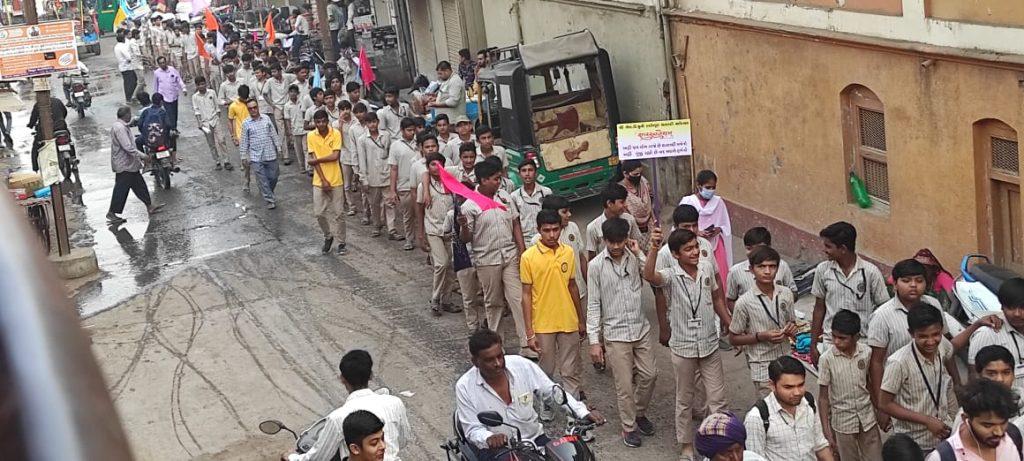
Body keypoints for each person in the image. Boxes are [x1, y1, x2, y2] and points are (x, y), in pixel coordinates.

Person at [869, 259, 990, 430]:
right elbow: (876, 362)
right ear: (894, 284)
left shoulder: (933, 304)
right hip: (905, 390)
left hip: (937, 385)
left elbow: (947, 346)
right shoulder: (882, 317)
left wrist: (956, 382)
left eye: (919, 280)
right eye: (906, 281)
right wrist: (881, 406)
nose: (913, 285)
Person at [644, 227, 731, 461]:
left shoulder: (705, 269)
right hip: (683, 347)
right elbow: (649, 276)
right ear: (675, 254)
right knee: (685, 399)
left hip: (709, 344)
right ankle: (686, 446)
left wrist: (728, 322)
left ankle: (719, 444)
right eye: (689, 249)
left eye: (696, 247)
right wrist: (653, 247)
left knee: (717, 399)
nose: (695, 252)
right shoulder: (670, 275)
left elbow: (716, 297)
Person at [454, 329, 604, 459]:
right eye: (489, 360)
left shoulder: (521, 365)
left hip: (534, 440)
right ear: (475, 362)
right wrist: (489, 438)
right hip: (497, 451)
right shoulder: (464, 387)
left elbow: (552, 391)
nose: (498, 363)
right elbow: (472, 429)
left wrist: (581, 412)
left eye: (499, 356)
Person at [587, 217, 657, 447]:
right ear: (604, 240)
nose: (616, 246)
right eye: (611, 242)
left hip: (640, 328)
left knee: (649, 375)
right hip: (615, 334)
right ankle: (629, 427)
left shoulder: (634, 259)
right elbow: (594, 304)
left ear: (627, 238)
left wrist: (639, 253)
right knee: (624, 385)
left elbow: (651, 277)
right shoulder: (596, 266)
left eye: (620, 241)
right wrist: (594, 341)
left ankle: (639, 412)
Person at [458, 159, 531, 358]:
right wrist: (463, 226)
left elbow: (515, 222)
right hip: (487, 259)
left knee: (518, 299)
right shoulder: (470, 206)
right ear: (483, 180)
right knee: (494, 303)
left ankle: (527, 343)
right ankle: (498, 345)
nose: (499, 182)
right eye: (495, 179)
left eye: (499, 178)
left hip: (509, 255)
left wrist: (522, 249)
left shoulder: (505, 197)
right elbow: (467, 238)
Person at [286, 350, 411, 461]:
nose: (382, 446)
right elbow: (403, 440)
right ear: (371, 375)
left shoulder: (338, 418)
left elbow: (319, 457)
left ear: (342, 379)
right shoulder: (395, 403)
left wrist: (292, 458)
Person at [522, 209, 586, 414]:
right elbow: (525, 295)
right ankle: (546, 403)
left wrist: (580, 320)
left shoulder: (567, 252)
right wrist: (529, 332)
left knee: (570, 371)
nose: (551, 235)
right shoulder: (528, 257)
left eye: (555, 230)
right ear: (538, 230)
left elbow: (573, 286)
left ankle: (573, 413)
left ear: (561, 229)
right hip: (543, 323)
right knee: (546, 370)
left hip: (568, 320)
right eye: (546, 230)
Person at [880, 303, 958, 453]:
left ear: (942, 330)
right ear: (911, 333)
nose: (930, 341)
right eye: (923, 336)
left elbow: (953, 348)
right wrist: (926, 420)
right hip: (914, 443)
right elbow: (884, 404)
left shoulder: (942, 346)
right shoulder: (898, 363)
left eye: (935, 334)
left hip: (942, 437)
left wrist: (976, 325)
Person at [809, 221, 890, 364]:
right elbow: (819, 308)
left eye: (828, 246)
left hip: (863, 344)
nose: (825, 250)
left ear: (843, 249)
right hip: (832, 343)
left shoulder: (870, 272)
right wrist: (813, 344)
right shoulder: (823, 270)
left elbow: (885, 309)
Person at [727, 246, 797, 398]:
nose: (767, 271)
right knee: (770, 410)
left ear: (778, 268)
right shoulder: (744, 302)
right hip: (762, 364)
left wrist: (792, 330)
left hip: (785, 359)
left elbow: (792, 322)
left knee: (790, 404)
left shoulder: (786, 294)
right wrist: (761, 336)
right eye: (761, 267)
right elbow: (733, 338)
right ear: (751, 270)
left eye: (772, 266)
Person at [818, 309, 882, 461]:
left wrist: (880, 410)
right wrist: (826, 431)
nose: (836, 342)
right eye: (834, 336)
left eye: (842, 338)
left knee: (876, 457)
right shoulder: (827, 359)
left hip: (867, 418)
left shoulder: (866, 353)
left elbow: (869, 384)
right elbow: (823, 398)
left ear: (856, 337)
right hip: (842, 422)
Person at [745, 356, 833, 460]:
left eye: (801, 385)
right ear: (772, 385)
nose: (797, 392)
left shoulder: (809, 402)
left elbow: (820, 445)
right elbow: (755, 458)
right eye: (788, 387)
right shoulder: (757, 418)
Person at [926, 379, 1023, 461]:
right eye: (988, 425)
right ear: (965, 419)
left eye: (1003, 423)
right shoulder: (942, 457)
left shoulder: (1013, 437)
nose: (998, 432)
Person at [968, 277, 1024, 397]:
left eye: (1023, 307)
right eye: (1011, 307)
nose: (1017, 314)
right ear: (1002, 307)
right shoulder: (987, 334)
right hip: (1000, 410)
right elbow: (974, 378)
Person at [107, 106, 163, 225]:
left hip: (130, 164)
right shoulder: (120, 128)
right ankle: (112, 213)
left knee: (139, 185)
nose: (130, 116)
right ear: (126, 115)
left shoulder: (121, 126)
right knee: (121, 189)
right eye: (129, 114)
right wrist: (143, 156)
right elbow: (128, 147)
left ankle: (149, 205)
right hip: (124, 164)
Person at [679, 169, 733, 288]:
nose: (711, 191)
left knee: (719, 276)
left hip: (716, 246)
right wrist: (697, 232)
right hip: (694, 244)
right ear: (699, 185)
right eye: (708, 187)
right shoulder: (688, 202)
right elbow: (680, 224)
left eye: (713, 187)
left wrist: (718, 230)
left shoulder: (719, 202)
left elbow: (725, 225)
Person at [725, 227, 797, 308]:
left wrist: (781, 305)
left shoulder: (782, 266)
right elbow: (730, 299)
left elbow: (793, 292)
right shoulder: (735, 271)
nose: (753, 252)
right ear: (751, 270)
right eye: (749, 249)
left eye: (758, 249)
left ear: (769, 247)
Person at [308, 109, 347, 255]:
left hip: (336, 179)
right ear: (315, 122)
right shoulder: (311, 136)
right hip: (319, 180)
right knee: (319, 213)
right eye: (318, 122)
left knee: (339, 213)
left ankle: (342, 242)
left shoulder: (335, 133)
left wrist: (317, 160)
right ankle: (328, 235)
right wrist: (323, 180)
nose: (321, 124)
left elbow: (335, 156)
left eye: (323, 121)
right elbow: (313, 158)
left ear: (327, 121)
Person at [240, 98, 282, 209]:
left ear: (258, 107)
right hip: (256, 157)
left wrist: (279, 147)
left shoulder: (266, 119)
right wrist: (243, 156)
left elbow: (273, 133)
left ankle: (268, 191)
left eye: (255, 107)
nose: (253, 110)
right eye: (250, 109)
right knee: (262, 179)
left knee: (273, 176)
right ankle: (270, 199)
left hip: (270, 153)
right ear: (248, 110)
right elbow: (244, 141)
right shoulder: (246, 124)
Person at [586, 183, 642, 260]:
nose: (626, 205)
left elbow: (638, 243)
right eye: (622, 202)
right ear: (609, 203)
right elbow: (592, 256)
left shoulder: (630, 219)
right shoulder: (593, 228)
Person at [356, 112, 391, 236]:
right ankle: (377, 226)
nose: (372, 125)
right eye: (369, 122)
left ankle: (391, 229)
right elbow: (362, 160)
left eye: (374, 122)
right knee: (374, 204)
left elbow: (390, 155)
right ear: (366, 124)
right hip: (372, 177)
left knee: (389, 203)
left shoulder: (386, 136)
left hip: (386, 175)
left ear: (378, 122)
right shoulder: (362, 140)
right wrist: (363, 179)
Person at [387, 118, 418, 248]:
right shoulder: (395, 146)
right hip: (404, 185)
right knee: (408, 215)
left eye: (413, 130)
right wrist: (392, 190)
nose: (411, 133)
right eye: (408, 130)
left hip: (419, 184)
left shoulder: (419, 143)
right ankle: (409, 239)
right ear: (402, 131)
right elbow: (393, 168)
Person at [192, 76, 231, 171]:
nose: (202, 86)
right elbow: (196, 110)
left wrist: (218, 116)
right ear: (197, 86)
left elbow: (217, 106)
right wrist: (199, 122)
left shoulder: (212, 92)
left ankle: (226, 161)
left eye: (203, 84)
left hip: (215, 119)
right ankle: (217, 161)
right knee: (211, 143)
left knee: (221, 140)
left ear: (206, 83)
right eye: (200, 85)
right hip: (205, 123)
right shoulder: (195, 97)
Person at [695, 412, 768, 461]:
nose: (736, 458)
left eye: (739, 450)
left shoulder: (754, 459)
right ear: (711, 456)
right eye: (727, 453)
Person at [510, 159, 552, 243]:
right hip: (527, 240)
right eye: (524, 171)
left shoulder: (546, 192)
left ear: (536, 173)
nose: (527, 174)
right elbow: (516, 222)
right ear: (519, 174)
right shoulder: (514, 196)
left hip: (545, 238)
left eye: (530, 170)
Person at [618, 160, 655, 249]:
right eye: (635, 174)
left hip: (650, 226)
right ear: (625, 174)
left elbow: (650, 199)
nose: (638, 176)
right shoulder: (620, 190)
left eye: (640, 173)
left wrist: (655, 220)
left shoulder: (643, 182)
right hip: (633, 229)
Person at [27, 95, 68, 172]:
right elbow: (65, 112)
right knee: (69, 141)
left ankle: (35, 168)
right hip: (61, 126)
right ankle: (74, 158)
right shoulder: (57, 100)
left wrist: (30, 125)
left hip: (46, 131)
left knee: (35, 148)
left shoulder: (38, 105)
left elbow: (33, 118)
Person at [265, 64, 296, 164]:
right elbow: (265, 93)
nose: (274, 74)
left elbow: (296, 79)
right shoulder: (270, 81)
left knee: (291, 127)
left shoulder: (287, 77)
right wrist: (272, 104)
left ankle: (294, 147)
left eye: (275, 71)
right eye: (272, 72)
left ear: (280, 71)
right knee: (281, 131)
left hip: (288, 106)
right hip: (277, 107)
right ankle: (285, 155)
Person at [228, 85, 252, 192]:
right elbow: (230, 121)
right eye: (243, 98)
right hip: (241, 136)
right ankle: (246, 182)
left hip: (254, 135)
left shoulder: (251, 104)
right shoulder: (233, 106)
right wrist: (233, 136)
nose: (245, 100)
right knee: (245, 162)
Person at [153, 56, 185, 133]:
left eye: (164, 62)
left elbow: (178, 79)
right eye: (160, 63)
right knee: (169, 112)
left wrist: (183, 88)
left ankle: (174, 126)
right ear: (158, 64)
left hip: (174, 95)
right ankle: (172, 128)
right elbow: (155, 85)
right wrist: (156, 96)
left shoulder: (172, 70)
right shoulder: (157, 73)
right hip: (164, 96)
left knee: (174, 112)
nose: (163, 64)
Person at [284, 84, 309, 173]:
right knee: (298, 150)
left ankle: (308, 167)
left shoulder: (302, 103)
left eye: (294, 92)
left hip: (304, 129)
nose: (293, 94)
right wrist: (289, 132)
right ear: (288, 93)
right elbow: (287, 120)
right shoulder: (287, 106)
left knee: (306, 149)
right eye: (291, 92)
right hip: (295, 130)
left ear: (297, 93)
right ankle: (302, 167)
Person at [115, 32, 137, 104]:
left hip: (122, 67)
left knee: (127, 83)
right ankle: (130, 98)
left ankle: (129, 97)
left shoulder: (116, 46)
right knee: (131, 83)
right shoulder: (122, 47)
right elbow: (128, 57)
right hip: (127, 67)